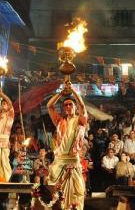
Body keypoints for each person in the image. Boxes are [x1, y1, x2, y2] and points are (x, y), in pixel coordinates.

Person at [46, 82, 88, 210]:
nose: (68, 106)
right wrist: (61, 93)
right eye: (66, 105)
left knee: (77, 192)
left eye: (71, 104)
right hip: (59, 161)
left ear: (75, 107)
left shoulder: (81, 120)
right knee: (56, 192)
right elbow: (49, 106)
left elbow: (82, 105)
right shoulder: (59, 121)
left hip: (73, 160)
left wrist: (73, 91)